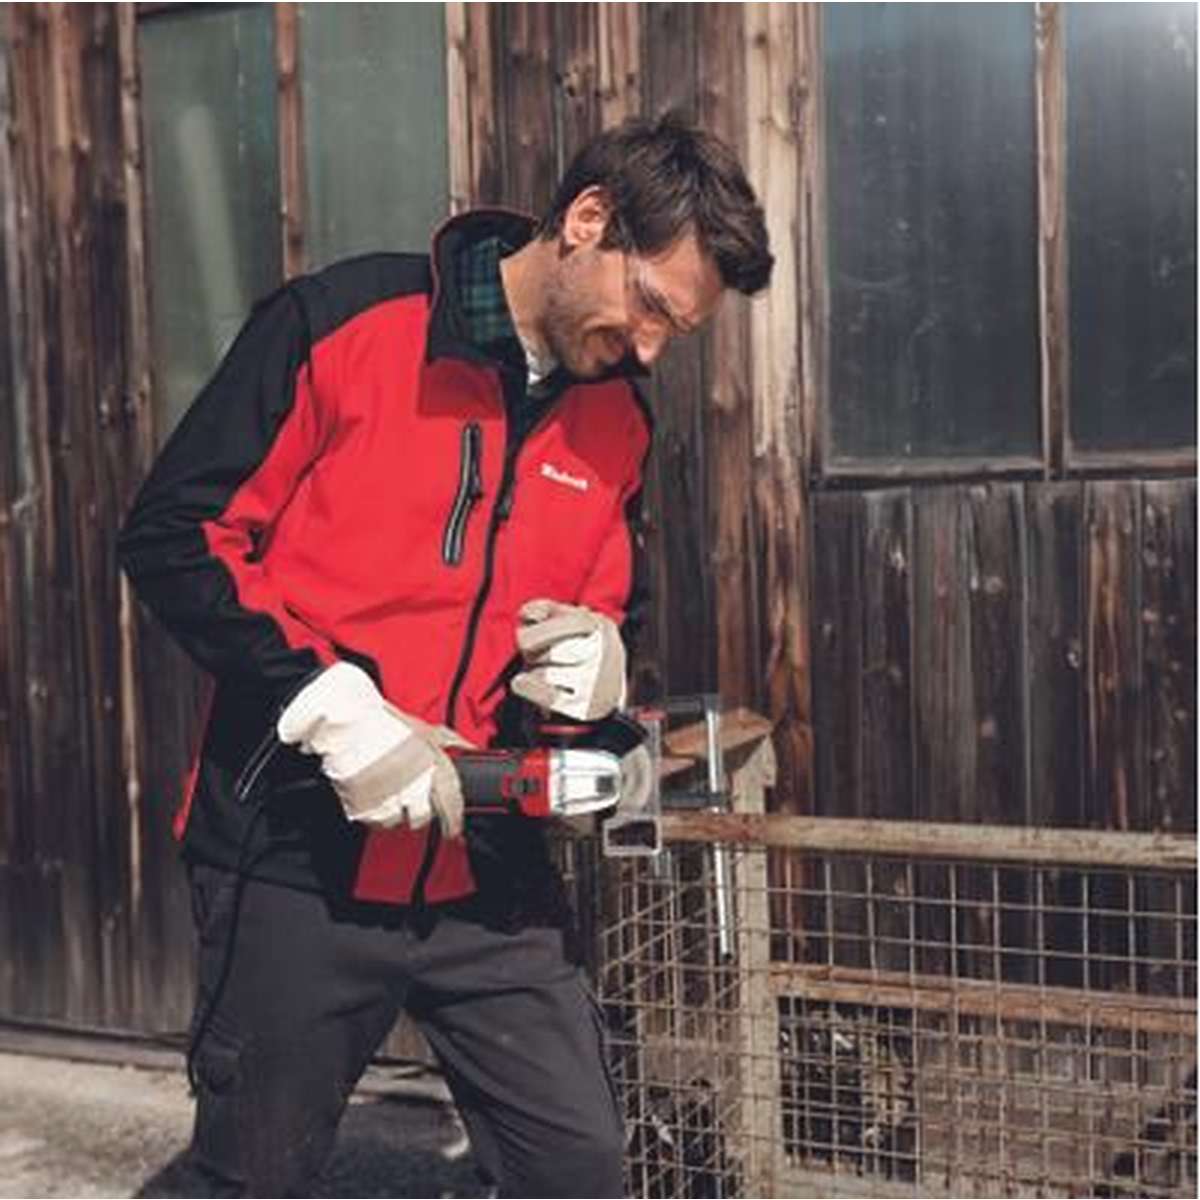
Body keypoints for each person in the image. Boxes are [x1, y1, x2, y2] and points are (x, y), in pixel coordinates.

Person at [118, 112, 772, 1198]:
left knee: (577, 1166)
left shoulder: (618, 417)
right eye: (652, 306)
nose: (653, 348)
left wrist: (597, 679)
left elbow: (612, 611)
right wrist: (328, 704)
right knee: (251, 1177)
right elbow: (176, 535)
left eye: (678, 331)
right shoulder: (342, 326)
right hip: (295, 847)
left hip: (486, 860)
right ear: (588, 220)